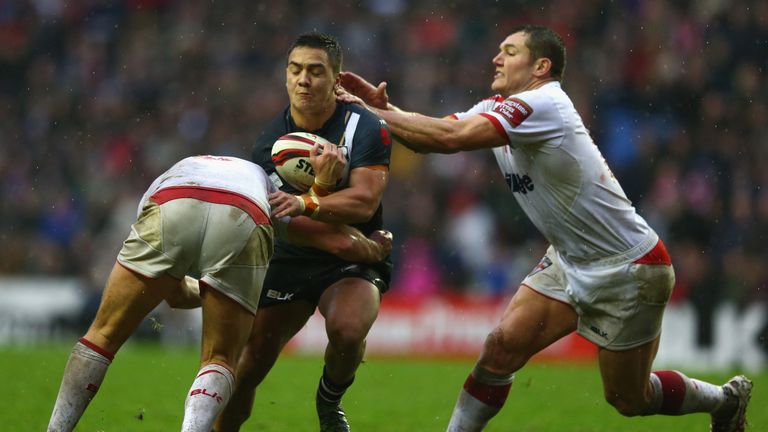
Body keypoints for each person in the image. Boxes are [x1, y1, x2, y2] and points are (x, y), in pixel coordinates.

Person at [338, 24, 752, 432]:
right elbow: (432, 137)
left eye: (510, 51)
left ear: (541, 66)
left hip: (629, 267)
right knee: (499, 351)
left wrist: (369, 112)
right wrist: (385, 113)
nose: (496, 57)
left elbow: (452, 137)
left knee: (629, 398)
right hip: (569, 259)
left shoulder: (544, 103)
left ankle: (725, 400)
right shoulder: (498, 108)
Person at [46, 153, 392, 432]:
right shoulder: (274, 194)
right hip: (243, 211)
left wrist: (208, 292)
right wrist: (375, 249)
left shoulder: (188, 168)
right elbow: (339, 242)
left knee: (102, 335)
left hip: (172, 196)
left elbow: (174, 294)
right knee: (220, 359)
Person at [214, 33, 392, 432]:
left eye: (315, 71)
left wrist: (308, 201)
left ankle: (329, 402)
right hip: (300, 253)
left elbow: (364, 202)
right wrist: (359, 245)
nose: (303, 80)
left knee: (348, 330)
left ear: (336, 80)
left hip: (349, 261)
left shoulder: (366, 127)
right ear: (285, 76)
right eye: (295, 70)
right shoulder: (268, 145)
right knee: (247, 367)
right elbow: (296, 227)